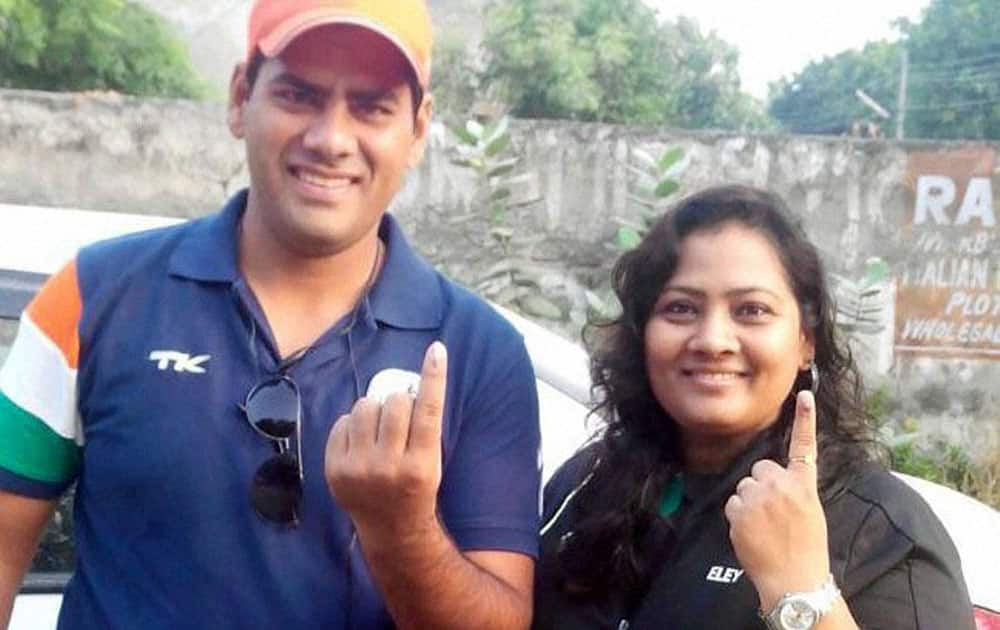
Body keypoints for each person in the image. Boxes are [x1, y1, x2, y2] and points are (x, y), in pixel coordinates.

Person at [0, 1, 541, 628]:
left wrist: (400, 531)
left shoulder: (481, 355)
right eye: (298, 94)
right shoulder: (89, 297)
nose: (331, 139)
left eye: (371, 107)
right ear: (239, 98)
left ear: (418, 130)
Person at [533, 185, 975, 630]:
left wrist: (801, 594)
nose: (712, 341)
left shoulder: (878, 532)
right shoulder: (583, 489)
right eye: (681, 308)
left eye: (752, 310)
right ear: (642, 333)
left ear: (806, 341)